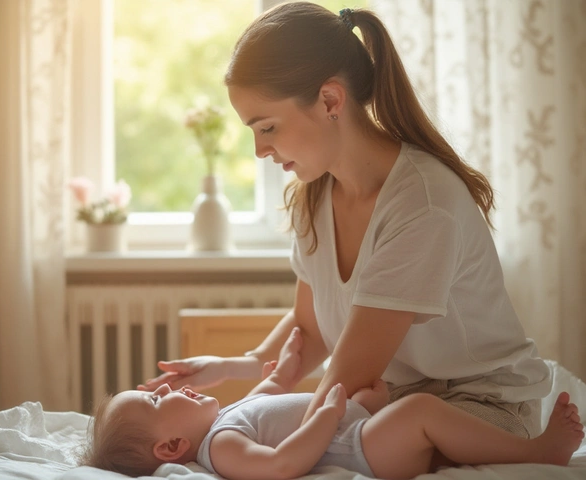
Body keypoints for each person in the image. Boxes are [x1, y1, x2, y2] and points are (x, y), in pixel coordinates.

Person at [140, 1, 553, 455]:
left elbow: (347, 377)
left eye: (268, 127)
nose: (259, 150)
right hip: (400, 402)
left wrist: (238, 444)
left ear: (330, 100)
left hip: (482, 411)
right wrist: (238, 365)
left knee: (320, 434)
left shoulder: (422, 206)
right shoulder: (313, 196)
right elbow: (312, 330)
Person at [84, 328, 584, 479]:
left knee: (409, 407)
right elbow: (281, 464)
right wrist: (328, 417)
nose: (167, 388)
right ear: (172, 447)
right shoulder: (220, 449)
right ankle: (537, 454)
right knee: (419, 414)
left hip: (353, 427)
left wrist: (282, 365)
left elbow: (271, 393)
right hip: (357, 449)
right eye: (155, 401)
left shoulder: (226, 419)